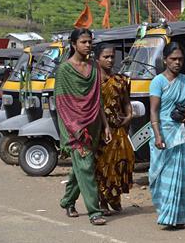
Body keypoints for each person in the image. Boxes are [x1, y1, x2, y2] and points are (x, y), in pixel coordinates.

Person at [55, 28, 112, 226]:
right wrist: (74, 127)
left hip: (94, 124)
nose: (88, 45)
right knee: (86, 166)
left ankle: (67, 201)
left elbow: (98, 100)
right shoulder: (64, 70)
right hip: (74, 127)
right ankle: (94, 212)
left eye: (90, 42)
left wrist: (105, 125)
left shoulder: (94, 67)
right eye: (83, 42)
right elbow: (62, 103)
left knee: (81, 167)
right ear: (73, 45)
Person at [149, 42, 185, 229]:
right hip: (165, 135)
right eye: (173, 59)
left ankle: (181, 218)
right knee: (163, 176)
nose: (177, 62)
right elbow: (154, 111)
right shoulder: (158, 82)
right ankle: (167, 216)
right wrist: (158, 136)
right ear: (165, 60)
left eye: (180, 59)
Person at [95, 43, 135, 216]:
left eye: (112, 56)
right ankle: (102, 201)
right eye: (106, 57)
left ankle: (115, 198)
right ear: (97, 59)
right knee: (102, 167)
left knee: (121, 164)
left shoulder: (121, 80)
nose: (110, 60)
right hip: (100, 131)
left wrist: (129, 116)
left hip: (119, 130)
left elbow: (126, 103)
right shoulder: (92, 82)